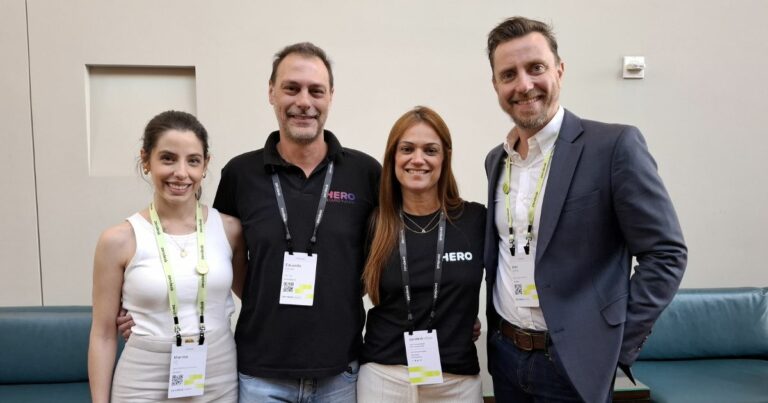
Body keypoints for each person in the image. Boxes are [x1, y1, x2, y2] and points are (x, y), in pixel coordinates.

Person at [482, 17, 687, 402]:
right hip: (506, 356)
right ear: (496, 86)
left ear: (559, 70)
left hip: (573, 365)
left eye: (536, 68)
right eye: (508, 74)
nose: (524, 84)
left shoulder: (613, 147)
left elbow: (666, 254)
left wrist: (612, 346)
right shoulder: (497, 161)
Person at [212, 42, 381, 402]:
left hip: (341, 372)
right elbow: (224, 261)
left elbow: (381, 255)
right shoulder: (239, 174)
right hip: (260, 374)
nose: (304, 101)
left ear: (330, 97)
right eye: (292, 88)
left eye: (315, 90)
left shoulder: (365, 173)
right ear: (271, 92)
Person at [88, 110, 247, 402]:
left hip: (217, 377)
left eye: (193, 161)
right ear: (146, 161)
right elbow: (102, 334)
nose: (181, 172)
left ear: (205, 165)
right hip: (142, 382)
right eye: (168, 158)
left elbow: (255, 299)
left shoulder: (229, 230)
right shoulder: (119, 240)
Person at [358, 106, 485, 403]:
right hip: (384, 376)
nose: (418, 159)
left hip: (457, 382)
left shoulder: (475, 219)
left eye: (430, 150)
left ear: (445, 158)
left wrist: (467, 314)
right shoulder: (374, 222)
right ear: (393, 157)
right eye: (407, 149)